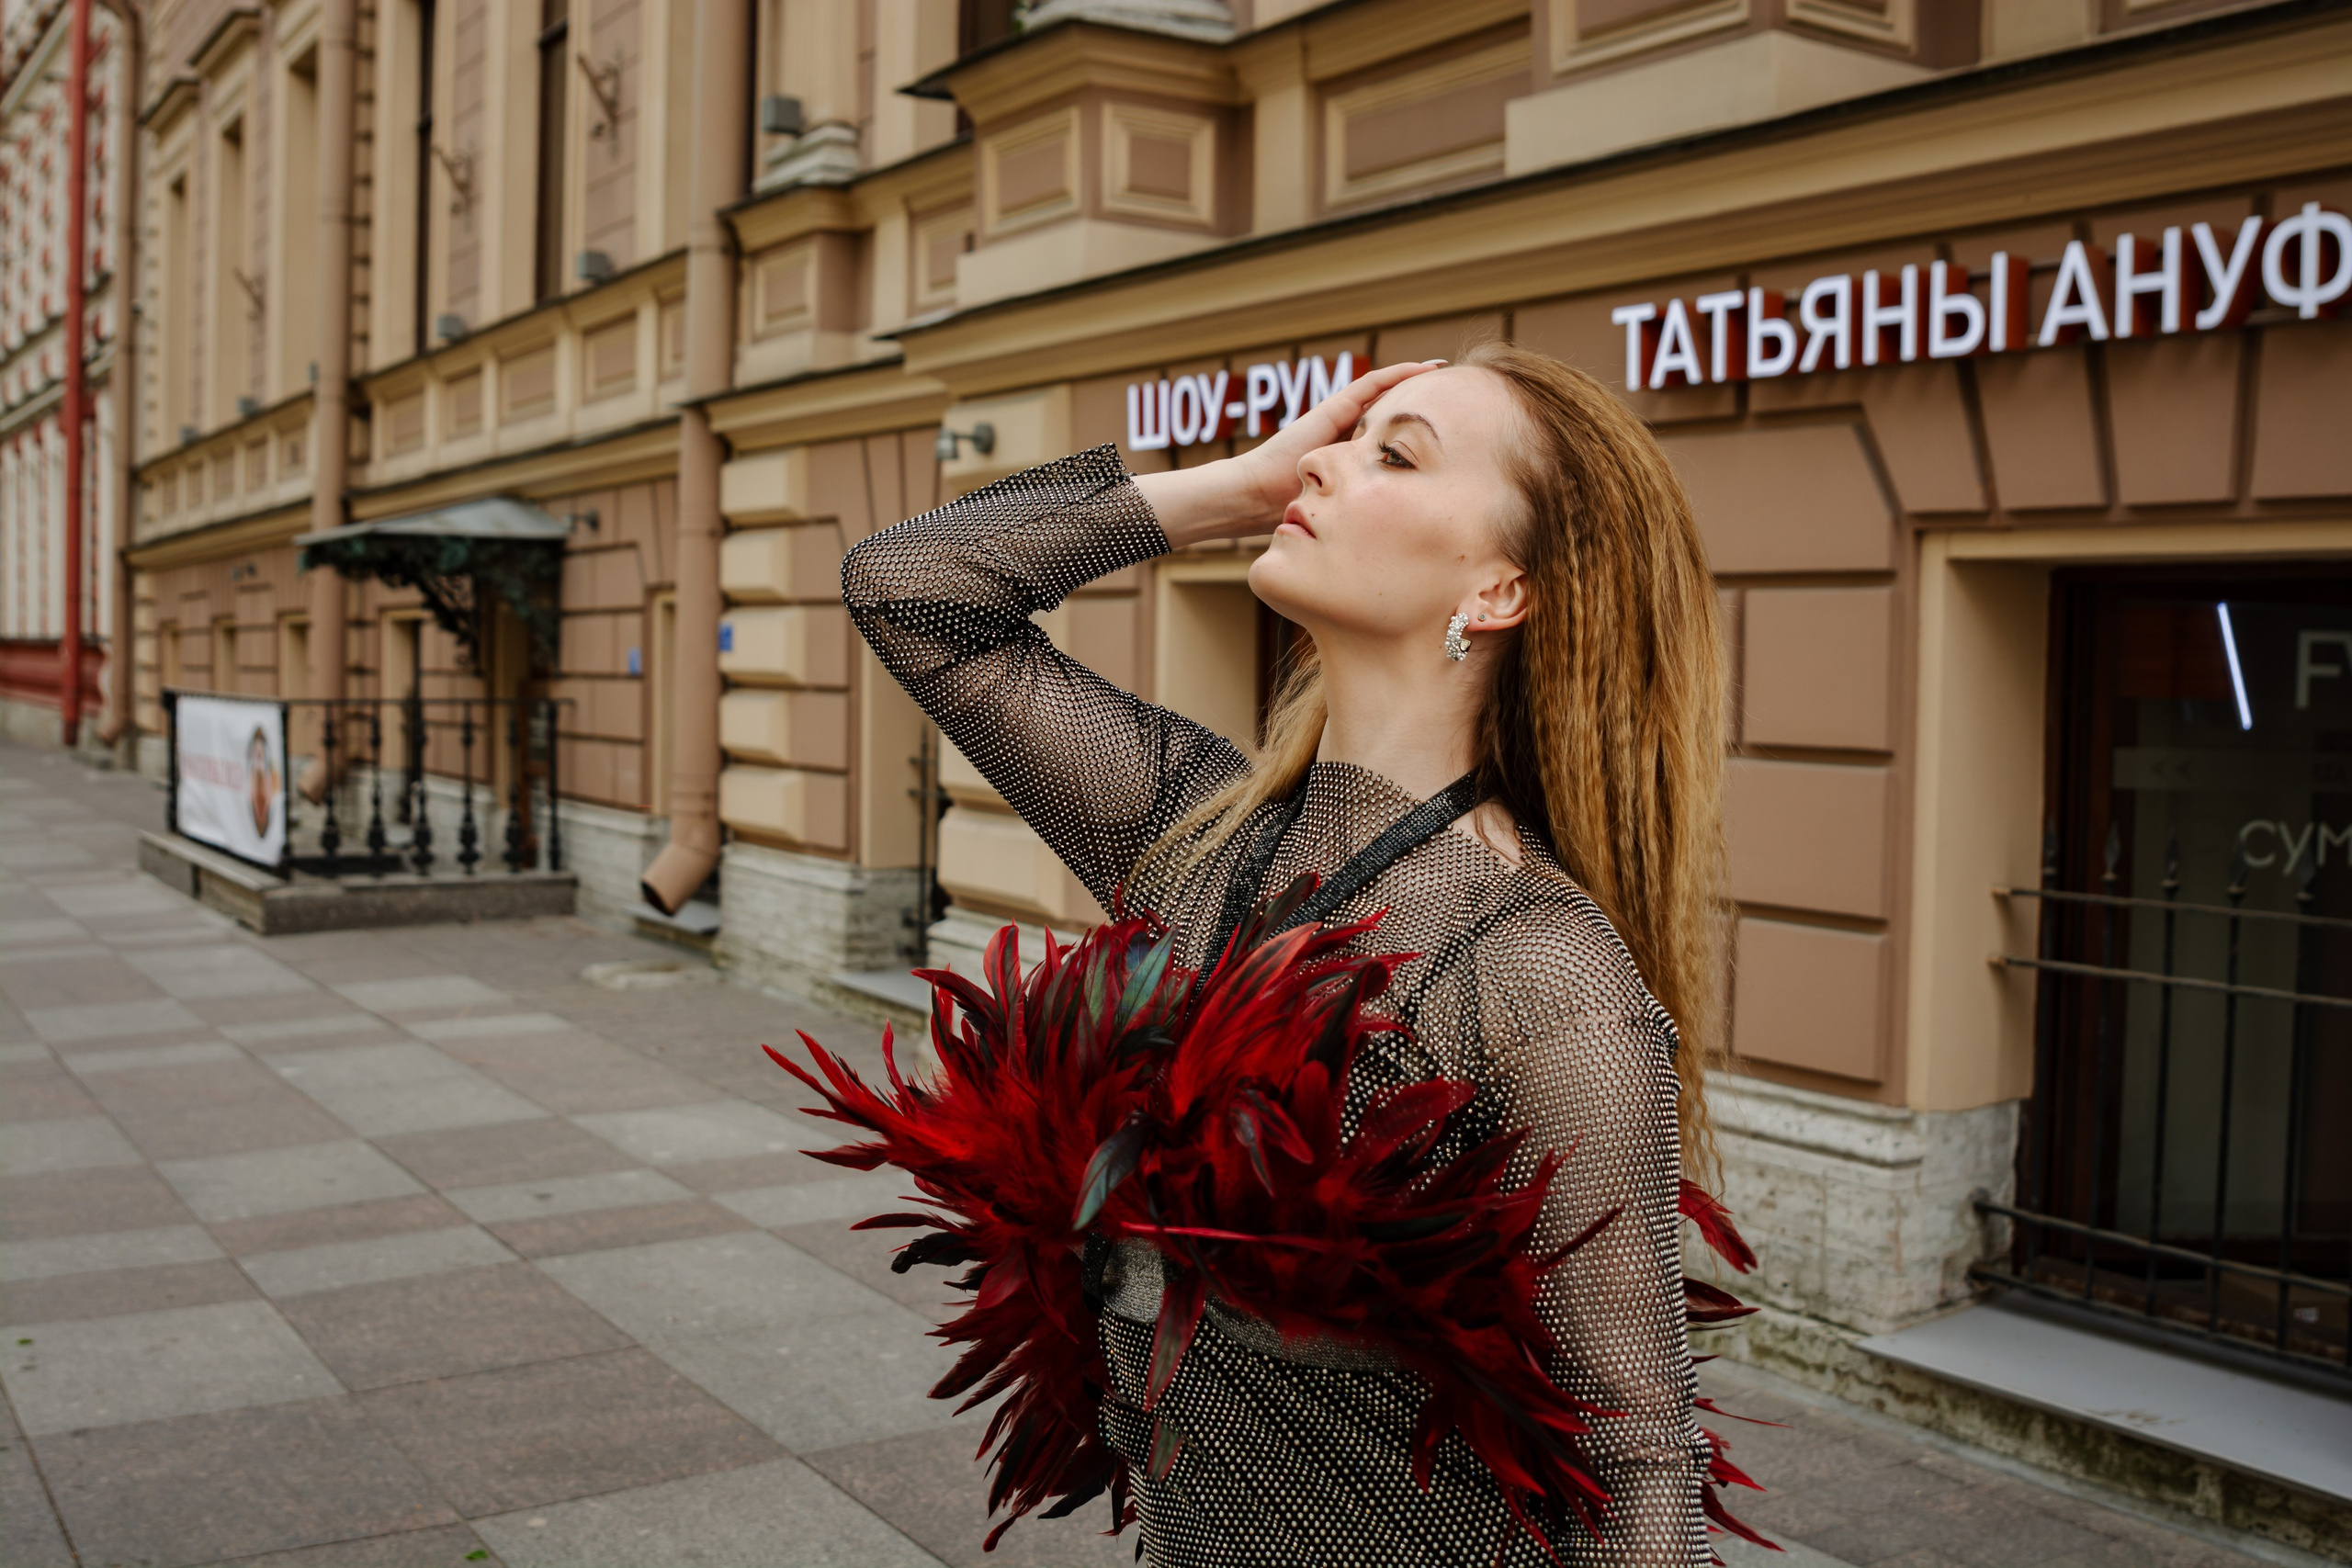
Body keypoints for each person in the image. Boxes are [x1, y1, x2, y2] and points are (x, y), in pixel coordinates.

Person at [843, 344, 1728, 1566]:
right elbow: (904, 586)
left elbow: (1637, 1459)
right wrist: (1239, 485)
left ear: (1501, 591)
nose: (1322, 455)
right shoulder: (1197, 834)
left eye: (1396, 453)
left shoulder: (1535, 966)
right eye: (1342, 441)